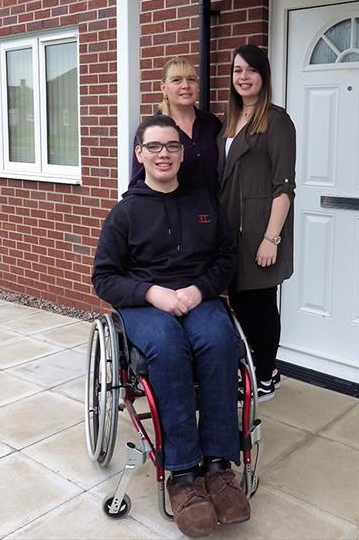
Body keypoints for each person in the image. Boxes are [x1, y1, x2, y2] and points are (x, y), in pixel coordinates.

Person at [93, 114, 250, 537]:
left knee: (219, 341)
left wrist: (200, 290)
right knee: (166, 346)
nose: (164, 154)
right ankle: (182, 475)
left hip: (198, 297)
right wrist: (152, 293)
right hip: (147, 302)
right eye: (155, 147)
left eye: (173, 147)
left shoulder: (204, 203)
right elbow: (104, 277)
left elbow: (226, 258)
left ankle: (218, 466)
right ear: (140, 154)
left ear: (182, 154)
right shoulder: (125, 213)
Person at [217, 44, 296, 402]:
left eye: (250, 70)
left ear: (263, 76)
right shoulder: (229, 122)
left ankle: (264, 374)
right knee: (239, 301)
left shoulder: (277, 121)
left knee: (260, 304)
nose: (243, 77)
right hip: (231, 229)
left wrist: (271, 237)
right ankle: (256, 367)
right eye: (237, 71)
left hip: (261, 231)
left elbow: (284, 188)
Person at [130, 57, 222, 194]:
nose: (185, 85)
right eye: (176, 80)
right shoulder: (152, 130)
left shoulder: (211, 124)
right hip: (171, 212)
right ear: (163, 88)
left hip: (211, 211)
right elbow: (138, 183)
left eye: (191, 79)